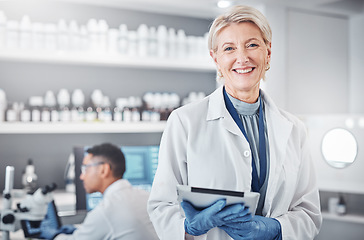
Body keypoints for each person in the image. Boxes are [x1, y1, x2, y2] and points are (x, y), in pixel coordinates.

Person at [147, 5, 322, 240]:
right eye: (229, 48)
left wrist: (274, 229)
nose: (242, 58)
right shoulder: (185, 122)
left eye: (252, 45)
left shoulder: (294, 129)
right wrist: (189, 228)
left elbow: (308, 213)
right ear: (216, 59)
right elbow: (160, 205)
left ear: (268, 52)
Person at [35, 143, 158, 240]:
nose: (81, 177)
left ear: (104, 170)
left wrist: (53, 235)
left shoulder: (106, 211)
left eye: (85, 169)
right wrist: (79, 231)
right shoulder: (146, 197)